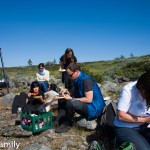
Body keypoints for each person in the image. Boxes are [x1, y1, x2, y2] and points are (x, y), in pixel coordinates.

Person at [55, 62, 105, 132]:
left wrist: (72, 99)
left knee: (70, 102)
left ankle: (68, 124)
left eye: (70, 75)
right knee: (62, 99)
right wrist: (66, 91)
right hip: (88, 105)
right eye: (68, 75)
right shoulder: (77, 78)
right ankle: (60, 119)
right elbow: (77, 92)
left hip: (94, 108)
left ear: (77, 71)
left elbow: (89, 99)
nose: (69, 77)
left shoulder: (86, 80)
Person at [114, 71, 150, 150]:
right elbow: (121, 116)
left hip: (145, 126)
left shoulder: (146, 90)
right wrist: (145, 120)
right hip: (126, 127)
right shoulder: (128, 90)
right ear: (141, 87)